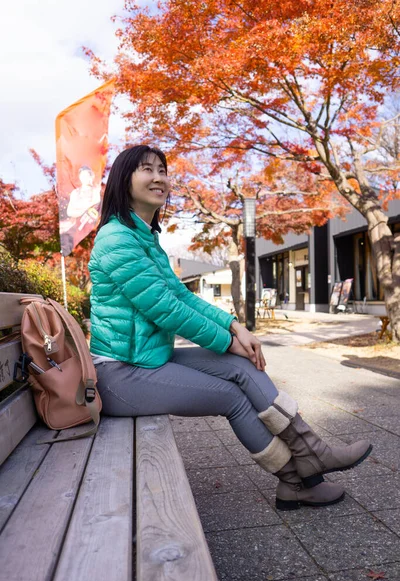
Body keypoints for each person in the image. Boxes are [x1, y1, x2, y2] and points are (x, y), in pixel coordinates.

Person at [88, 145, 372, 511]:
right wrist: (226, 341)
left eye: (163, 170)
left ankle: (313, 453)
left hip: (148, 359)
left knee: (241, 365)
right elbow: (166, 310)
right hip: (119, 374)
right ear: (123, 180)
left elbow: (182, 296)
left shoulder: (146, 239)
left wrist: (235, 327)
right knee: (230, 396)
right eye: (147, 169)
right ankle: (293, 483)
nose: (159, 178)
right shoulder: (116, 238)